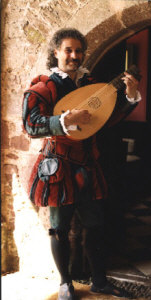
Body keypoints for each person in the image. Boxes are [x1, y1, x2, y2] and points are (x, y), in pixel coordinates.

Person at [22, 28, 141, 300]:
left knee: (95, 225)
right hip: (58, 165)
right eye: (68, 50)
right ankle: (65, 283)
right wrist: (63, 120)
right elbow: (30, 125)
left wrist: (130, 96)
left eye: (78, 51)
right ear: (56, 52)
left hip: (89, 164)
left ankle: (99, 281)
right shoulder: (43, 87)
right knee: (59, 228)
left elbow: (105, 120)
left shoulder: (91, 84)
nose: (74, 56)